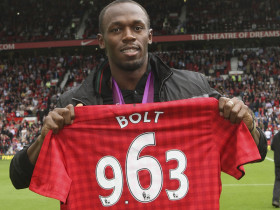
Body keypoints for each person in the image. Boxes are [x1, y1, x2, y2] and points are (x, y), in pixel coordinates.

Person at [10, 0, 267, 190]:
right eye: (116, 29)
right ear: (101, 40)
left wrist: (248, 124)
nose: (129, 36)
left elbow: (258, 151)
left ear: (150, 36)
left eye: (137, 27)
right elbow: (18, 177)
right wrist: (44, 141)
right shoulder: (75, 103)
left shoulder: (194, 88)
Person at [272, 132, 280, 207]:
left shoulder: (276, 136)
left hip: (277, 162)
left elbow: (272, 147)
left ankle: (275, 200)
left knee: (278, 180)